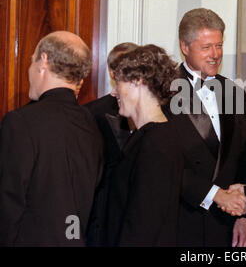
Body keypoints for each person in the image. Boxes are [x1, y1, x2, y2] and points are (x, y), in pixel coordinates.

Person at [0, 31, 103, 246]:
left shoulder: (20, 122)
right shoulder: (92, 123)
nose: (29, 70)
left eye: (31, 61)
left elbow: (8, 204)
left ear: (43, 60)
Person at [164, 8, 246, 247]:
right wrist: (215, 195)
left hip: (225, 225)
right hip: (180, 222)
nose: (215, 54)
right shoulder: (163, 92)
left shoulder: (233, 91)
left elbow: (244, 157)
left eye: (219, 45)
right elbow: (162, 164)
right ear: (184, 47)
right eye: (206, 47)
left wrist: (245, 216)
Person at [102, 44, 184, 246]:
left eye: (119, 82)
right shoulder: (148, 136)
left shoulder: (156, 142)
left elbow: (143, 224)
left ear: (138, 81)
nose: (114, 92)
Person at [84, 42, 139, 246]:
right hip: (103, 215)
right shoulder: (90, 113)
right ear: (111, 72)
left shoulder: (157, 114)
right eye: (121, 68)